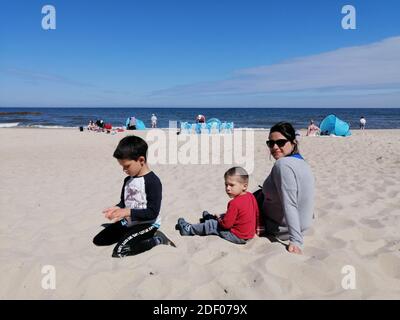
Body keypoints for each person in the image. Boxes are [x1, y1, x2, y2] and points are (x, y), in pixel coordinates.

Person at [93, 136, 174, 258]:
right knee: (99, 240)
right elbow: (124, 202)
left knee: (120, 251)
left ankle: (157, 239)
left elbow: (153, 212)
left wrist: (127, 212)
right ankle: (130, 236)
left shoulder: (153, 182)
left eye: (127, 166)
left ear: (141, 160)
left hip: (148, 223)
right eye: (122, 166)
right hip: (130, 221)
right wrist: (116, 208)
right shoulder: (128, 180)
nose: (124, 170)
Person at [261, 122, 315, 254]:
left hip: (280, 229)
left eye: (280, 143)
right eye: (271, 143)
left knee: (242, 201)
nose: (275, 147)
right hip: (305, 225)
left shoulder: (282, 165)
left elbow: (289, 203)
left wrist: (295, 240)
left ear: (293, 143)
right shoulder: (302, 162)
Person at [175, 167, 258, 244]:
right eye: (226, 184)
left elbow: (226, 225)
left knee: (212, 225)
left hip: (237, 236)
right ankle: (210, 218)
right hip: (249, 234)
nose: (228, 188)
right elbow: (256, 213)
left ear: (244, 186)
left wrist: (218, 218)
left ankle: (188, 229)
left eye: (231, 185)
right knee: (227, 215)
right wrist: (258, 228)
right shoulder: (251, 196)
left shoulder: (234, 203)